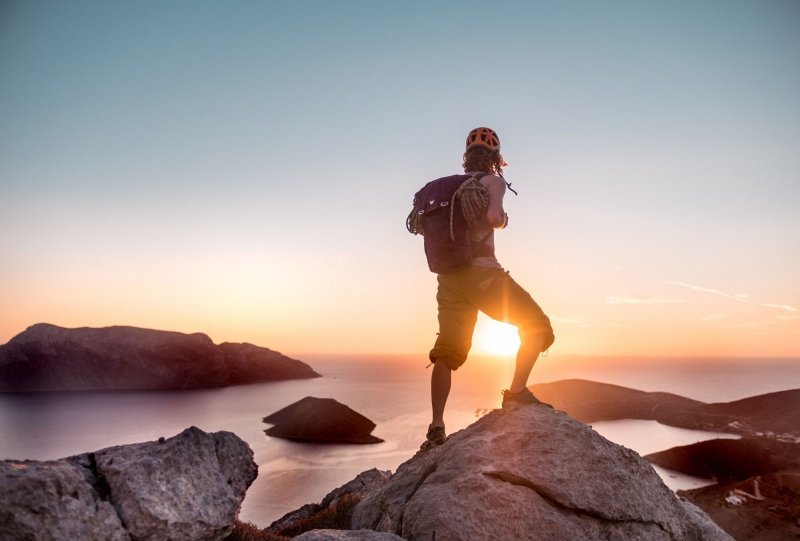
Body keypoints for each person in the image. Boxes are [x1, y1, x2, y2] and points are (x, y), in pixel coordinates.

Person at [424, 127, 555, 448]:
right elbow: (494, 218)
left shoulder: (447, 187)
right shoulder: (492, 181)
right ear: (496, 159)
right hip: (483, 274)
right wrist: (502, 217)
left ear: (466, 157)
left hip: (449, 279)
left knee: (447, 351)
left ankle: (437, 425)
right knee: (537, 326)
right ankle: (516, 393)